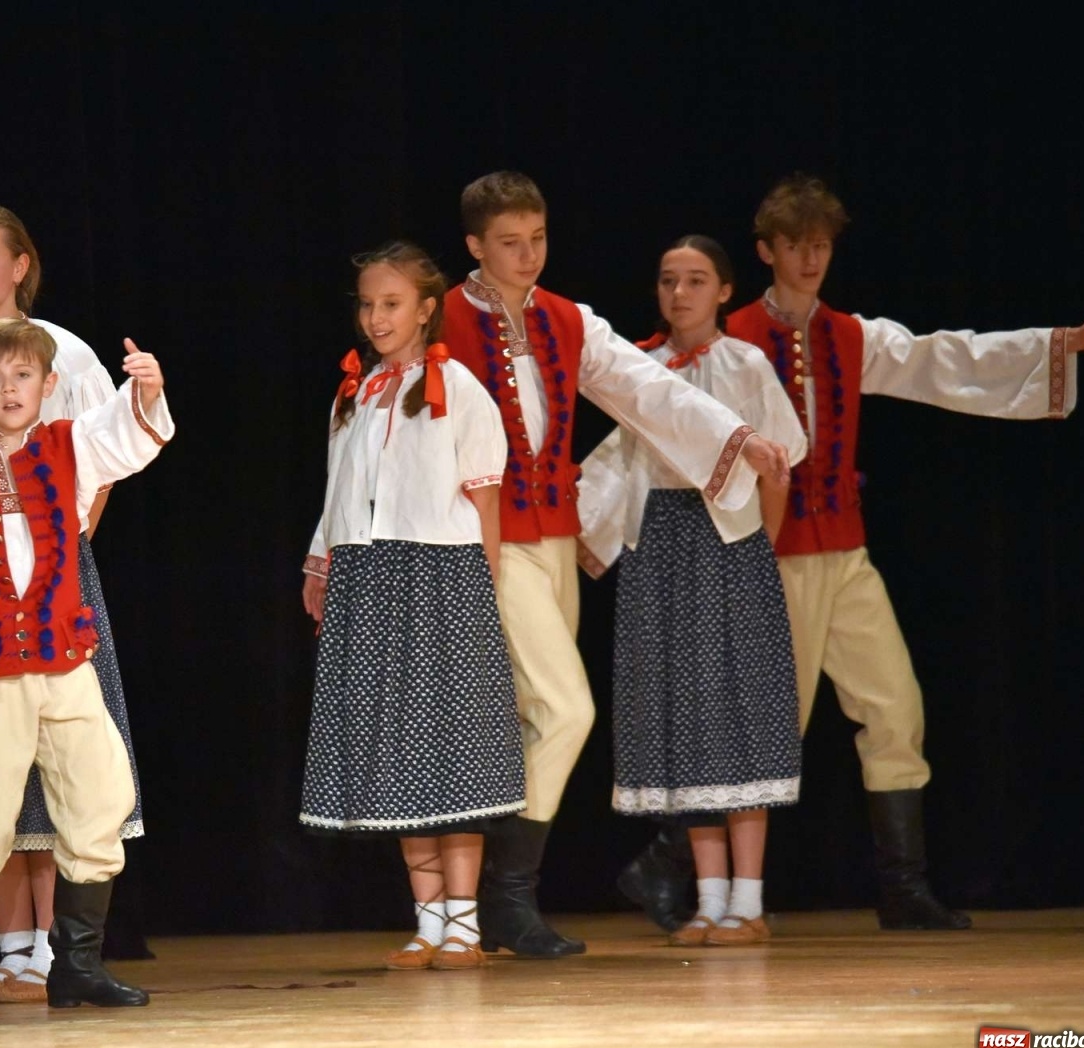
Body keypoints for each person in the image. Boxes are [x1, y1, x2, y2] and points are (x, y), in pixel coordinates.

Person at [704, 173, 1084, 930]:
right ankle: (680, 869)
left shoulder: (850, 335)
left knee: (895, 707)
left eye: (822, 246)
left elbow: (951, 362)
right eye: (797, 246)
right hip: (774, 559)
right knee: (773, 726)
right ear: (767, 250)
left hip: (846, 552)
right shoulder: (731, 340)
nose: (811, 260)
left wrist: (1067, 342)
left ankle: (902, 888)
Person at [439, 172, 793, 957]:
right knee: (569, 711)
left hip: (554, 537)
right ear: (474, 246)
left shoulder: (566, 319)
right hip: (482, 541)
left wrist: (737, 437)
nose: (528, 255)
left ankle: (489, 904)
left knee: (536, 718)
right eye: (509, 243)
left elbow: (646, 388)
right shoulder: (445, 319)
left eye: (537, 238)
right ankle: (503, 896)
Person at [0, 205, 152, 1000]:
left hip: (57, 629)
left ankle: (74, 963)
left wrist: (148, 390)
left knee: (97, 791)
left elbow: (124, 442)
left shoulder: (64, 416)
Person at [301, 241, 524, 970]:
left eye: (391, 303)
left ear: (427, 309)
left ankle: (465, 922)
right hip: (368, 575)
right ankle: (428, 921)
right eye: (367, 304)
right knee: (396, 750)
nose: (376, 317)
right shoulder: (355, 395)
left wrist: (483, 592)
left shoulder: (458, 389)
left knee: (452, 748)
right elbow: (341, 494)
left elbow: (485, 500)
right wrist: (321, 562)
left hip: (440, 575)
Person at [578, 236, 806, 946]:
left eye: (696, 280)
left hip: (728, 545)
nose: (680, 294)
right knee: (688, 723)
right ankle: (709, 902)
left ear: (725, 291)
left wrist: (755, 549)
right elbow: (619, 465)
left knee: (741, 716)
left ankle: (750, 902)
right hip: (663, 545)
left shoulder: (746, 363)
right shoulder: (641, 369)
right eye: (668, 280)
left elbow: (780, 466)